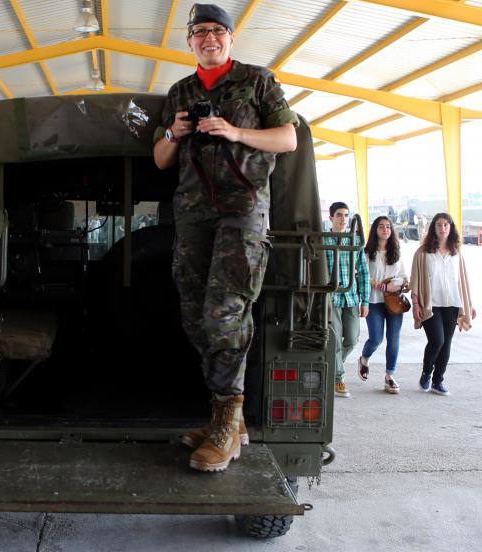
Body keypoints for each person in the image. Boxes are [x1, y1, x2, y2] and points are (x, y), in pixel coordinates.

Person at [153, 3, 298, 473]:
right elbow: (159, 160)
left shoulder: (258, 81)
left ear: (231, 38)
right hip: (194, 215)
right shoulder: (181, 91)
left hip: (242, 211)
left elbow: (287, 139)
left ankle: (227, 422)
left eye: (217, 31)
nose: (209, 38)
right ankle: (225, 417)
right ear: (189, 41)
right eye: (200, 32)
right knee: (195, 314)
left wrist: (233, 130)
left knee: (225, 311)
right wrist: (175, 132)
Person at [410, 213, 475, 395]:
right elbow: (415, 280)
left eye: (446, 225)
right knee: (437, 340)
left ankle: (438, 381)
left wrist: (469, 304)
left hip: (452, 303)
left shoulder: (457, 251)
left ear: (451, 228)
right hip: (431, 304)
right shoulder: (423, 252)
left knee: (447, 343)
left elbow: (462, 280)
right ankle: (426, 373)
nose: (443, 228)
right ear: (434, 228)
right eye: (439, 225)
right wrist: (416, 304)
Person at [357, 216, 407, 394]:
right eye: (381, 226)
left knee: (393, 338)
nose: (385, 229)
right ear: (375, 230)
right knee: (376, 338)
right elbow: (363, 276)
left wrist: (398, 284)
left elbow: (404, 276)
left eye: (388, 226)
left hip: (394, 302)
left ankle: (389, 376)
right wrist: (380, 285)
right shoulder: (367, 252)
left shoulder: (397, 251)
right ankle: (364, 358)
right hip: (374, 301)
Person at [324, 202, 369, 398]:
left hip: (351, 296)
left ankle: (330, 367)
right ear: (331, 218)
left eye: (346, 215)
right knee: (335, 340)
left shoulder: (356, 240)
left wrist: (365, 301)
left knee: (351, 338)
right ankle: (338, 379)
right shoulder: (324, 240)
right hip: (331, 297)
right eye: (339, 215)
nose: (343, 219)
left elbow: (364, 272)